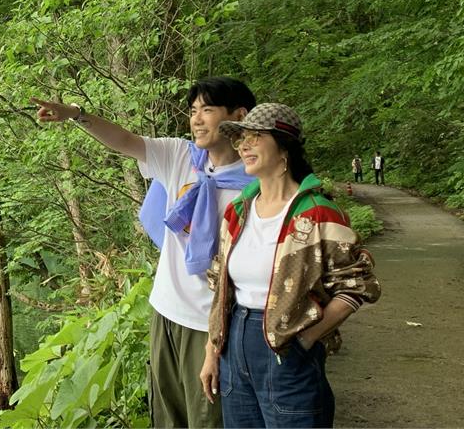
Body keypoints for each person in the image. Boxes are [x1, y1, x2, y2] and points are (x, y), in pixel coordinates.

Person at [33, 77, 257, 428]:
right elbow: (124, 141)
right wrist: (76, 115)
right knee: (167, 416)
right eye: (193, 110)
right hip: (167, 310)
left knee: (208, 418)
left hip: (212, 324)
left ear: (238, 115)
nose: (196, 119)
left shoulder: (257, 182)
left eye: (208, 110)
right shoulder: (182, 157)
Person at [199, 103, 381, 428]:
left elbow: (357, 285)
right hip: (233, 346)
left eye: (255, 137)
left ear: (284, 146)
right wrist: (212, 352)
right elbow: (220, 287)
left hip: (287, 351)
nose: (244, 145)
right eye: (241, 138)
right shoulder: (239, 210)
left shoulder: (317, 213)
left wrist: (307, 339)